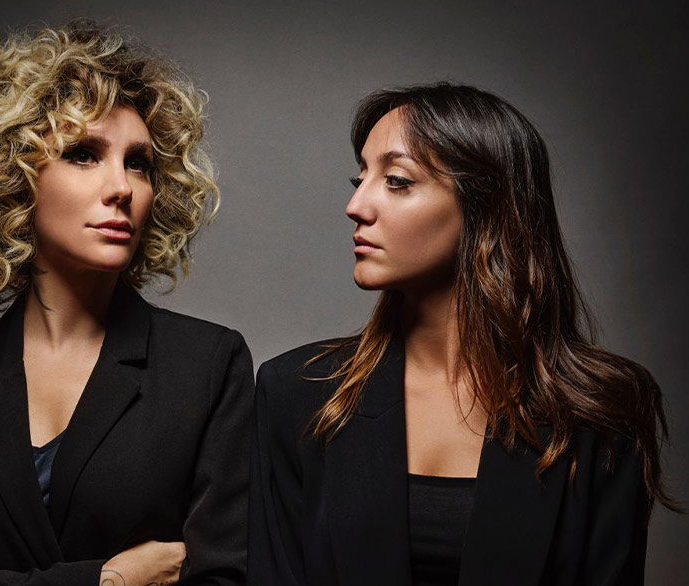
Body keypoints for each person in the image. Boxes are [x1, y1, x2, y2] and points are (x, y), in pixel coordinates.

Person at [247, 83, 676, 586]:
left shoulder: (602, 410)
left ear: (485, 205)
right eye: (359, 178)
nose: (356, 205)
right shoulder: (297, 393)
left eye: (397, 181)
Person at [0, 20, 253, 586]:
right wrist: (111, 580)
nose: (121, 187)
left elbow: (222, 578)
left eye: (138, 163)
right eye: (83, 154)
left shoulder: (207, 365)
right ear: (14, 178)